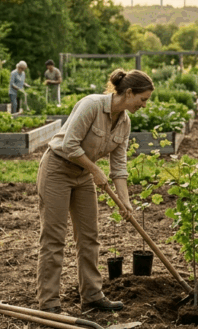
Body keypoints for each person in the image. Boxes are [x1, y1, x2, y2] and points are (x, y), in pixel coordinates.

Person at [36, 69, 154, 315]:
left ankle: (91, 295)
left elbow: (119, 167)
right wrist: (95, 170)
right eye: (142, 99)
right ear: (129, 92)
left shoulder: (124, 121)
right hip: (57, 169)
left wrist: (125, 201)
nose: (144, 105)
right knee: (54, 237)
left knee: (89, 237)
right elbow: (69, 145)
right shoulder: (91, 105)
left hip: (83, 175)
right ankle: (49, 303)